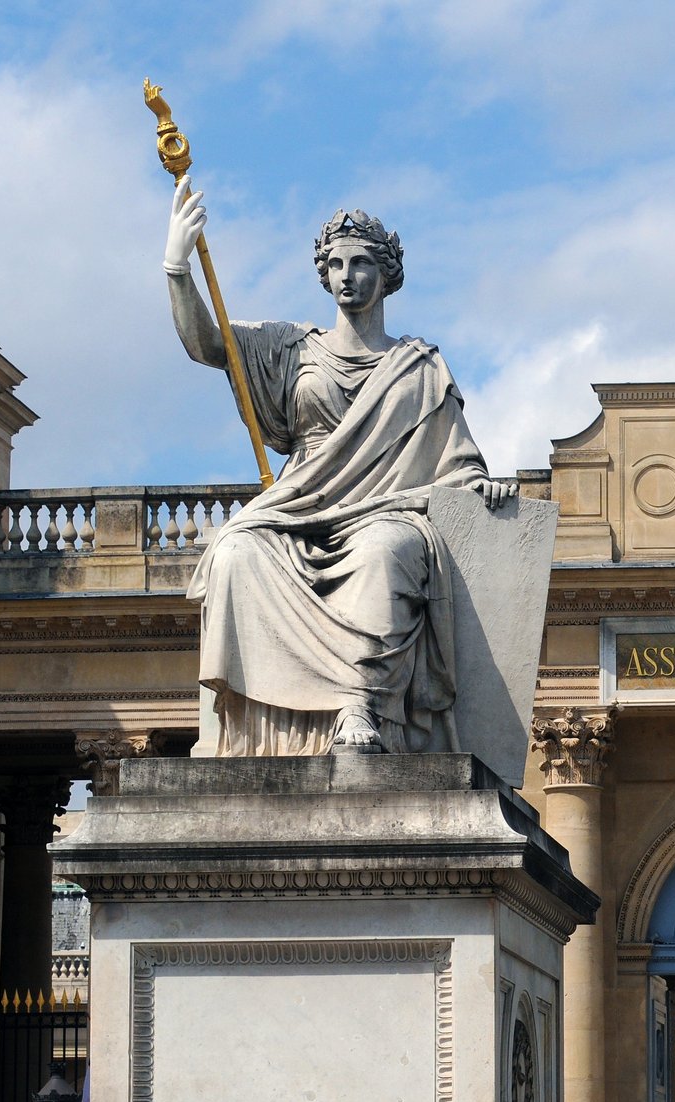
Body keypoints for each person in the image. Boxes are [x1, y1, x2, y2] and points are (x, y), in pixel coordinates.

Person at [163, 176, 514, 754]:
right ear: (323, 274)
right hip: (300, 507)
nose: (346, 276)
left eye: (360, 263)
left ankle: (360, 705)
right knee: (234, 551)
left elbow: (457, 462)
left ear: (387, 275)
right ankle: (254, 725)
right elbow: (209, 345)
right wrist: (178, 270)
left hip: (388, 508)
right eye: (335, 264)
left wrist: (483, 487)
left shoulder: (419, 366)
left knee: (383, 552)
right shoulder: (290, 346)